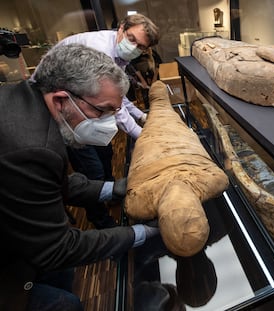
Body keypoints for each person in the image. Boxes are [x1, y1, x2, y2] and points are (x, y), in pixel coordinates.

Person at [0, 43, 159, 311]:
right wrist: (143, 232)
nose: (110, 122)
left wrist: (114, 189)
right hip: (9, 260)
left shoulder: (29, 101)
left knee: (62, 274)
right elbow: (57, 248)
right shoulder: (33, 146)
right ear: (61, 99)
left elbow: (48, 185)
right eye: (102, 111)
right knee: (65, 304)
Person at [55, 13, 160, 228]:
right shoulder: (100, 51)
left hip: (90, 109)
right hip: (70, 117)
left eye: (140, 46)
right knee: (92, 171)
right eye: (131, 39)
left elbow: (117, 96)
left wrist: (141, 116)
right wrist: (141, 135)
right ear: (121, 28)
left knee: (107, 154)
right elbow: (116, 107)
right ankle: (101, 220)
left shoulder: (119, 56)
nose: (134, 47)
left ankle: (113, 194)